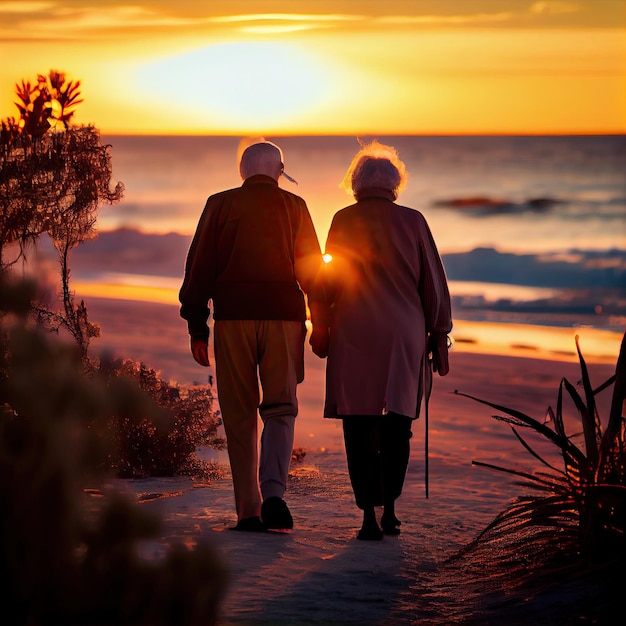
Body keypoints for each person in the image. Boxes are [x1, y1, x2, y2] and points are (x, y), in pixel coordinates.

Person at [309, 140, 452, 540]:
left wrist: (319, 327)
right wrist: (440, 336)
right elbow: (434, 285)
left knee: (359, 425)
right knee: (398, 424)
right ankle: (390, 508)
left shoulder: (342, 220)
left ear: (356, 184)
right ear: (395, 185)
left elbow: (326, 282)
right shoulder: (413, 220)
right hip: (403, 333)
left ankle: (368, 518)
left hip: (355, 331)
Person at [180, 138, 325, 532]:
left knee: (239, 413)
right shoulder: (295, 206)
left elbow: (199, 269)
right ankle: (274, 493)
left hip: (232, 320)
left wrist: (198, 325)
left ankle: (249, 510)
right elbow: (312, 274)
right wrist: (322, 323)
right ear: (278, 171)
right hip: (284, 319)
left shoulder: (220, 203)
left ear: (242, 172)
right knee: (280, 408)